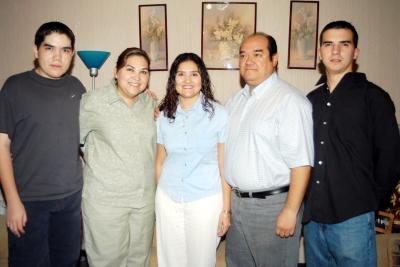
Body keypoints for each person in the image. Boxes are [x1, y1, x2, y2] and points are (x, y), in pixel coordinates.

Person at [303, 20, 400, 267]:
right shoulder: (309, 101)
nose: (335, 51)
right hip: (313, 218)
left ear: (355, 53)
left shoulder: (374, 97)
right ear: (320, 53)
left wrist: (370, 202)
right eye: (329, 44)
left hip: (353, 217)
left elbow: (390, 157)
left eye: (343, 44)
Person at [224, 32, 314, 267]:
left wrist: (290, 210)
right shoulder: (235, 101)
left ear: (274, 59)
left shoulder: (290, 101)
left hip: (272, 207)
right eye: (243, 55)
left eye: (257, 54)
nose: (248, 61)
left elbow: (302, 162)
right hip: (238, 204)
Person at [0, 21, 85, 266]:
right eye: (50, 48)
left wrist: (147, 100)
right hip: (29, 201)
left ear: (72, 55)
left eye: (65, 50)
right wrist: (13, 201)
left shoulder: (76, 88)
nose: (58, 57)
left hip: (70, 200)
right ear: (36, 51)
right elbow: (2, 147)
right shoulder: (14, 87)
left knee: (67, 262)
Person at [79, 47, 157, 267]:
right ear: (116, 72)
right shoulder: (92, 102)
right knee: (108, 262)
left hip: (143, 202)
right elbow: (73, 140)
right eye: (130, 69)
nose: (137, 77)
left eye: (144, 72)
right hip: (106, 203)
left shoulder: (151, 104)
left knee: (138, 261)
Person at [155, 53, 231, 267]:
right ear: (173, 80)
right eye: (181, 74)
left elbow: (224, 166)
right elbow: (160, 161)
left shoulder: (219, 114)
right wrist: (159, 196)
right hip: (168, 199)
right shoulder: (163, 116)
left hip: (205, 200)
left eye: (194, 74)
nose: (187, 80)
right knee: (170, 261)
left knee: (201, 261)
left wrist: (226, 210)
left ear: (202, 79)